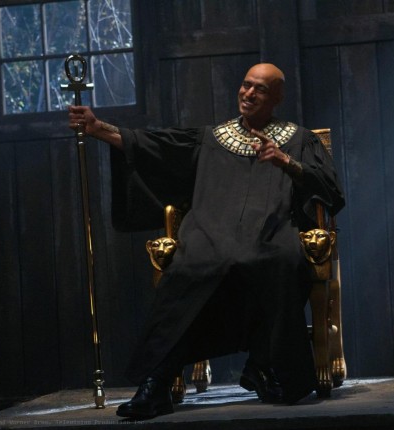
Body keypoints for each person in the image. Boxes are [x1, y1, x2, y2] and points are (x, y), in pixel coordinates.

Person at [68, 63, 344, 419]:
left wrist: (286, 161)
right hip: (210, 233)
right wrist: (98, 129)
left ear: (277, 97)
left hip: (271, 233)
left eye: (260, 89)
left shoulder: (299, 139)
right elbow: (153, 146)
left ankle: (266, 365)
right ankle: (157, 382)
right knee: (187, 270)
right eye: (246, 85)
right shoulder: (211, 138)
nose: (249, 93)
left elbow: (330, 188)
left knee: (285, 262)